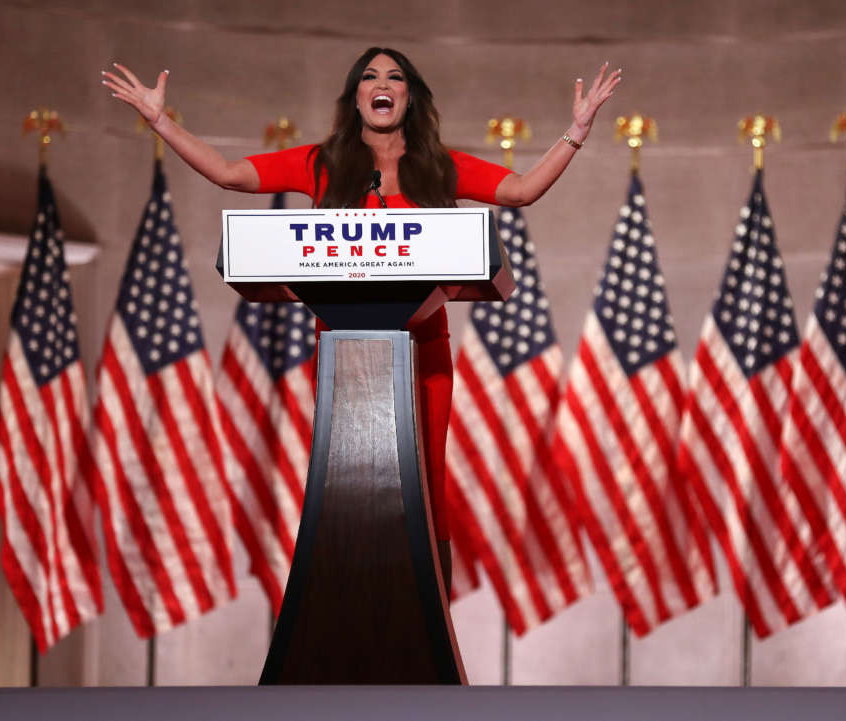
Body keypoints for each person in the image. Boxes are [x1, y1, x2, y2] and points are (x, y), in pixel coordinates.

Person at [102, 46, 621, 588]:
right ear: (356, 98)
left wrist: (577, 130)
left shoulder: (439, 167)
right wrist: (161, 122)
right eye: (370, 76)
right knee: (348, 484)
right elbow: (231, 174)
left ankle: (430, 620)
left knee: (426, 484)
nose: (383, 83)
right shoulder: (321, 164)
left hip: (422, 353)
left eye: (395, 77)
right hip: (344, 350)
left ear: (409, 97)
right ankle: (347, 608)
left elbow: (521, 190)